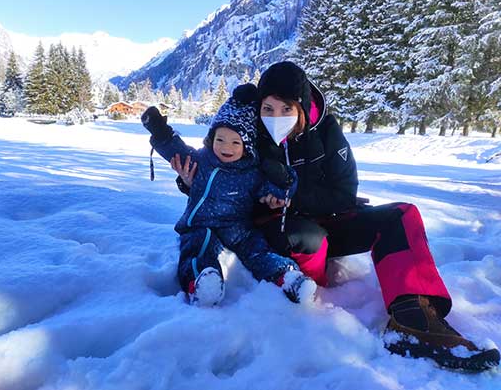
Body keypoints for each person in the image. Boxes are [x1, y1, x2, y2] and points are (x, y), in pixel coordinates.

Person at [171, 61, 500, 371]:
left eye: (287, 109)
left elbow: (344, 190)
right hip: (280, 227)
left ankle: (413, 318)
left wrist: (293, 195)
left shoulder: (326, 131)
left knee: (402, 216)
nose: (275, 116)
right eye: (267, 108)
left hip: (331, 215)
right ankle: (316, 293)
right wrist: (190, 183)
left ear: (302, 106)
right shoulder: (249, 129)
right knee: (307, 237)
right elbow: (217, 172)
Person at [141, 86, 310, 307]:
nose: (226, 147)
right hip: (201, 224)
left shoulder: (252, 172)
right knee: (197, 248)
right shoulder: (202, 160)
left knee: (258, 251)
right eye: (220, 139)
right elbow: (175, 149)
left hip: (238, 228)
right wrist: (159, 130)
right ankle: (201, 284)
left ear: (246, 145)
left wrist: (285, 180)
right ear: (212, 138)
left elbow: (274, 190)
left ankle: (287, 278)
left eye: (235, 142)